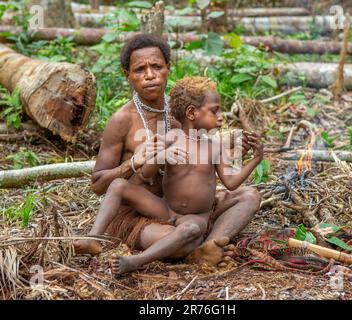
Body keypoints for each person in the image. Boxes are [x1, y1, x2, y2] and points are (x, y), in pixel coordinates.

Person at [73, 33, 262, 268]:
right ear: (128, 76)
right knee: (179, 240)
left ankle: (208, 247)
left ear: (168, 69)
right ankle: (191, 248)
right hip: (139, 215)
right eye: (140, 70)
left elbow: (201, 157)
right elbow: (98, 185)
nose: (150, 75)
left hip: (180, 207)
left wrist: (234, 148)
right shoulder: (122, 120)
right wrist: (133, 163)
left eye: (156, 66)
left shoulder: (181, 113)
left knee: (249, 196)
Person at [110, 76, 264, 275]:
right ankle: (136, 261)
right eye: (214, 111)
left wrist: (255, 160)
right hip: (166, 212)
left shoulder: (214, 146)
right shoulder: (172, 138)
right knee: (184, 234)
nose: (221, 117)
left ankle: (208, 248)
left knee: (245, 198)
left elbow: (231, 183)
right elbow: (146, 175)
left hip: (196, 218)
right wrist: (161, 155)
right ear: (191, 113)